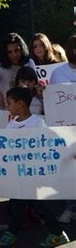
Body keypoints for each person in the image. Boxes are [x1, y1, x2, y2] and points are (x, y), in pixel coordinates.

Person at [0, 87, 69, 248]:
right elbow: (3, 148)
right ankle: (15, 232)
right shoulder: (11, 125)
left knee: (35, 206)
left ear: (21, 104)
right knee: (19, 205)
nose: (8, 106)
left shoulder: (38, 123)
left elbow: (48, 145)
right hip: (19, 176)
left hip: (34, 177)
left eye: (10, 103)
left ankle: (56, 233)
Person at [49, 34, 76, 223]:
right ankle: (70, 207)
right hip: (66, 129)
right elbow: (53, 101)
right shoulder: (58, 73)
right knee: (68, 168)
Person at [0, 32, 35, 109]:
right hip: (6, 112)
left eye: (16, 50)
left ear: (22, 49)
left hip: (28, 110)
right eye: (10, 52)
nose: (14, 55)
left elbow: (35, 82)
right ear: (5, 53)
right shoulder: (0, 67)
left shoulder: (29, 63)